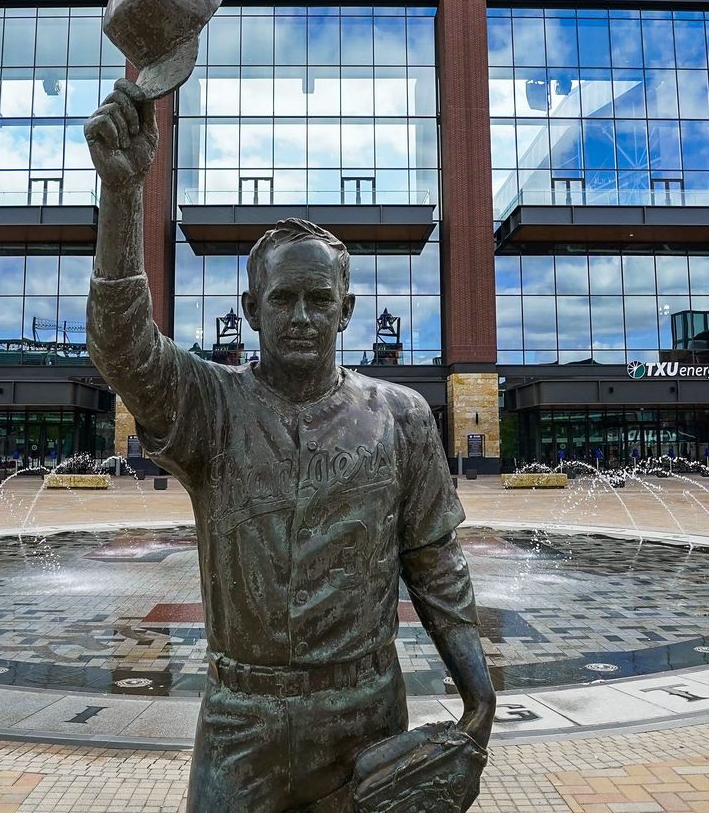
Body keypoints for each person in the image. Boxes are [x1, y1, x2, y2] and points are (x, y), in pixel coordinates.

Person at [84, 78, 494, 811]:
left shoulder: (401, 416)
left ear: (347, 310)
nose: (301, 315)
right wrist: (122, 194)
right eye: (282, 298)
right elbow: (124, 348)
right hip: (243, 722)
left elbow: (437, 567)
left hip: (365, 715)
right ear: (250, 308)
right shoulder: (212, 404)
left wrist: (480, 699)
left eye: (318, 299)